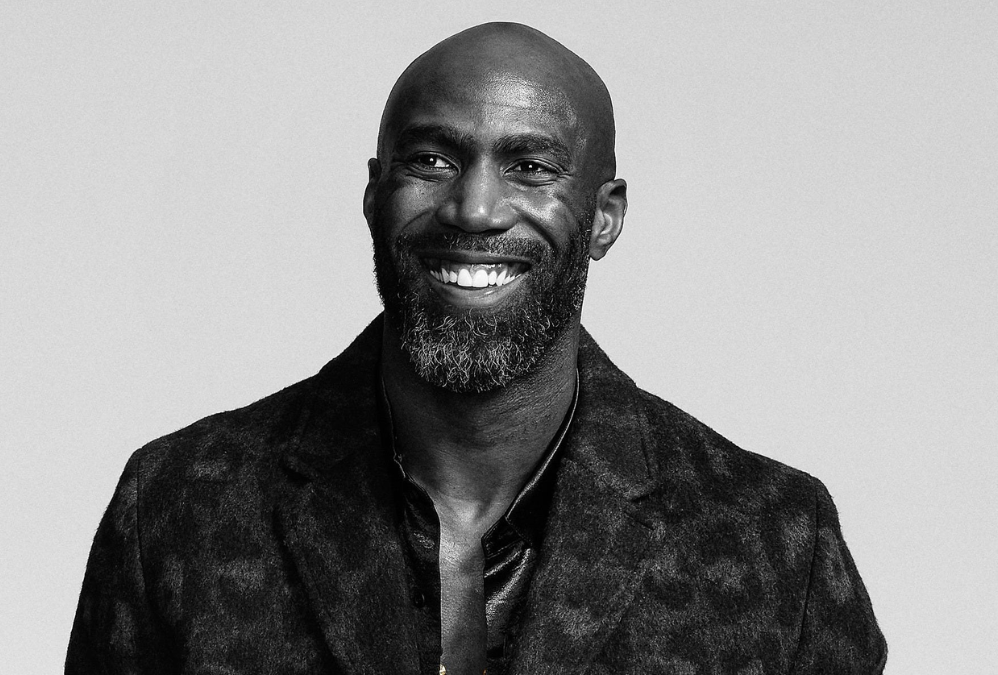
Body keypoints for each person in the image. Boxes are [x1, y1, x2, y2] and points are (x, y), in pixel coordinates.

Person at [66, 22, 886, 675]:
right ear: (373, 194)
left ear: (605, 216)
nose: (475, 208)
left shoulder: (772, 540)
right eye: (432, 160)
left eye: (529, 166)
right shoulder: (182, 507)